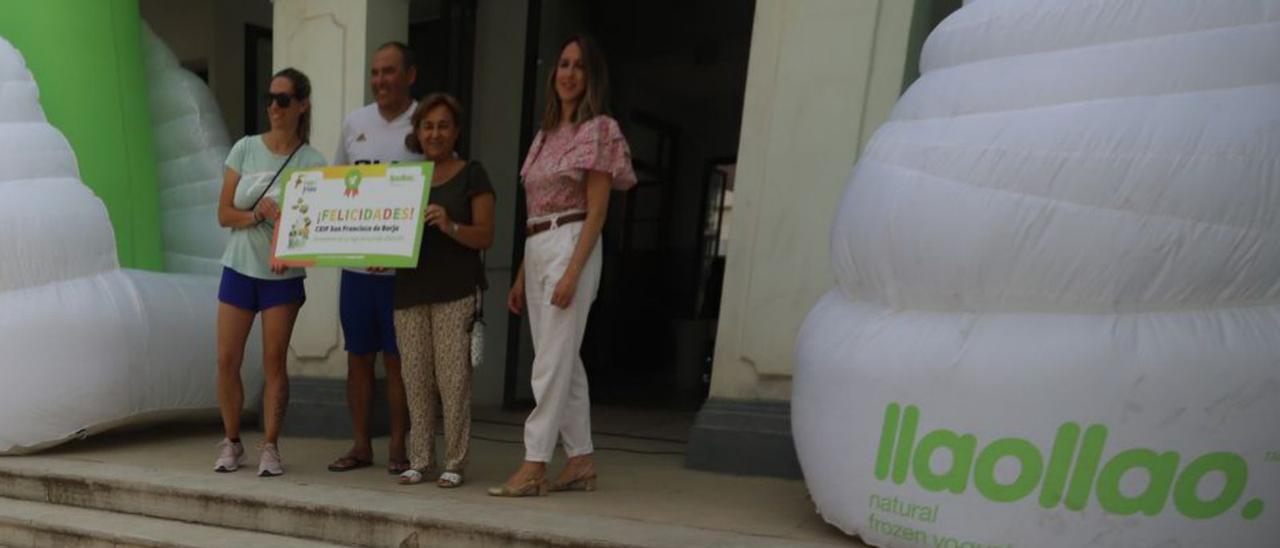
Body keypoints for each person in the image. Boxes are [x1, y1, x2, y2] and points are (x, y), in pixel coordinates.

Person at [490, 34, 636, 497]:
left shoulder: (600, 130)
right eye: (563, 64)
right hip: (538, 245)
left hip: (573, 240)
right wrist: (519, 274)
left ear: (591, 77)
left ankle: (535, 463)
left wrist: (573, 271)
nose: (568, 74)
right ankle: (581, 460)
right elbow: (532, 208)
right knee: (562, 361)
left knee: (550, 361)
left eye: (579, 67)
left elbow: (597, 212)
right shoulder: (546, 135)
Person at [214, 67, 327, 477]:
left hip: (282, 277)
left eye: (283, 99)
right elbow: (224, 213)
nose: (274, 107)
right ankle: (231, 441)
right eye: (270, 98)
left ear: (302, 105)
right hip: (240, 268)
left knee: (274, 361)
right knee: (227, 358)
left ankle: (271, 446)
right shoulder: (244, 148)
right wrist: (256, 214)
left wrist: (291, 249)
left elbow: (313, 227)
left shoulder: (314, 161)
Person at [328, 41, 422, 475]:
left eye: (389, 71)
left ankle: (399, 447)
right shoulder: (354, 123)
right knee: (358, 358)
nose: (381, 80)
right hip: (356, 269)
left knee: (398, 362)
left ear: (409, 75)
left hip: (403, 274)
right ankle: (361, 445)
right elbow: (336, 186)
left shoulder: (423, 122)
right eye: (375, 72)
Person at [393, 93, 495, 488]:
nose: (434, 133)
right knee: (415, 378)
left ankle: (454, 461)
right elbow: (389, 233)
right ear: (417, 132)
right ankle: (420, 459)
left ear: (456, 131)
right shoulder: (405, 178)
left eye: (442, 126)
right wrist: (379, 254)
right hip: (408, 290)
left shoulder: (473, 174)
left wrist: (451, 225)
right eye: (427, 126)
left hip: (455, 290)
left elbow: (486, 235)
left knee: (453, 381)